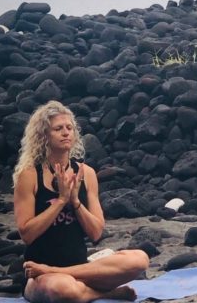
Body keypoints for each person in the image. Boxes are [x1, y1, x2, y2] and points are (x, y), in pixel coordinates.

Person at [13, 100, 149, 302]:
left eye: (69, 128)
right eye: (58, 129)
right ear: (44, 136)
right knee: (64, 290)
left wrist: (75, 201)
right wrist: (61, 200)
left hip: (82, 268)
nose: (66, 132)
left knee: (140, 259)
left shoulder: (87, 174)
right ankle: (107, 293)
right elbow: (27, 234)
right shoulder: (30, 175)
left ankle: (77, 283)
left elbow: (96, 232)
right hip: (41, 275)